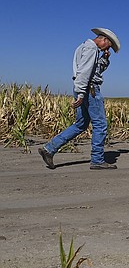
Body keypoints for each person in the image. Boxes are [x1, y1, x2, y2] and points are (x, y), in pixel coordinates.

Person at [39, 28, 121, 170]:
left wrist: (105, 60)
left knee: (81, 124)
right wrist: (82, 93)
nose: (107, 49)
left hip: (83, 88)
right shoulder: (91, 49)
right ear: (105, 40)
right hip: (90, 90)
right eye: (108, 46)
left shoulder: (84, 46)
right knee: (100, 125)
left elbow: (93, 70)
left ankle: (49, 149)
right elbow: (84, 73)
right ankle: (97, 160)